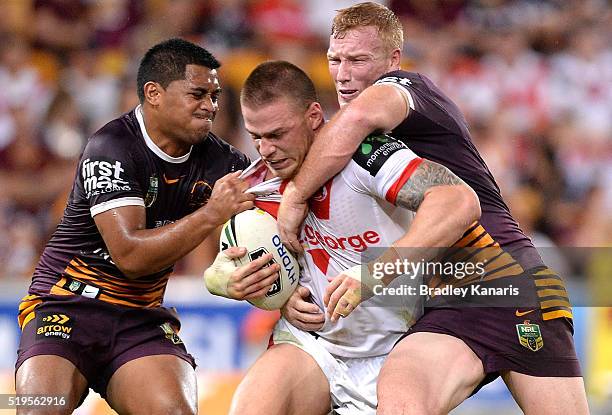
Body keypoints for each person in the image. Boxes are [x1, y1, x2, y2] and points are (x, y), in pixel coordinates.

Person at [277, 3, 588, 415]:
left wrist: (295, 196)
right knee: (402, 398)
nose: (342, 73)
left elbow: (360, 116)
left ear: (393, 61)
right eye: (334, 59)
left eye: (357, 59)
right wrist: (284, 293)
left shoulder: (405, 90)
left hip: (511, 281)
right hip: (450, 301)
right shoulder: (351, 148)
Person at [14, 38, 278, 415]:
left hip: (138, 317)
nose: (211, 107)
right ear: (154, 93)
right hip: (66, 305)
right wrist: (211, 214)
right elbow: (130, 256)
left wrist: (226, 276)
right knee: (35, 409)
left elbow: (281, 218)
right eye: (197, 95)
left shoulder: (222, 161)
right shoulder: (110, 146)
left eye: (215, 96)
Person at [203, 60, 478, 414]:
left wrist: (374, 273)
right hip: (313, 346)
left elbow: (458, 201)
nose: (265, 149)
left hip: (400, 347)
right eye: (256, 136)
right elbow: (221, 270)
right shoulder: (257, 185)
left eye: (277, 135)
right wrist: (230, 283)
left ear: (314, 116)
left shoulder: (366, 154)